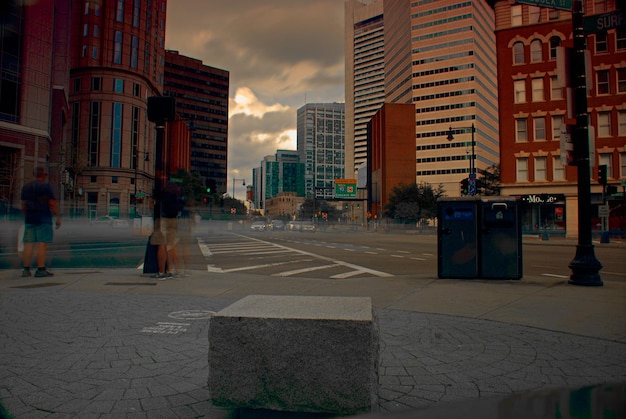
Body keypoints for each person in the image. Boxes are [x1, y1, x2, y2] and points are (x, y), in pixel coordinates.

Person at [20, 167, 61, 277]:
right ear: (42, 175)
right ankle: (40, 269)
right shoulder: (46, 187)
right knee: (42, 244)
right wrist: (58, 217)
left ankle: (26, 269)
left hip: (29, 219)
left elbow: (23, 205)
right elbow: (52, 203)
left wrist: (27, 215)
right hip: (43, 218)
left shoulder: (26, 187)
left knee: (28, 244)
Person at [150, 181, 183, 279]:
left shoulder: (162, 193)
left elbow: (153, 202)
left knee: (161, 245)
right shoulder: (176, 195)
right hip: (173, 220)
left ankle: (161, 272)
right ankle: (170, 270)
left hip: (163, 220)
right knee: (171, 245)